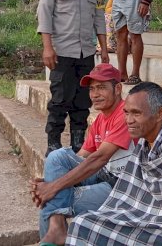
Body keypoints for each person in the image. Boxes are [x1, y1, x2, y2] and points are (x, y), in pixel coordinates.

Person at [66, 82, 162, 245]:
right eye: (126, 113)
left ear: (159, 113)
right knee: (85, 222)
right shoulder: (148, 139)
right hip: (154, 215)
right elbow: (133, 191)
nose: (128, 120)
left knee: (84, 225)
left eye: (136, 113)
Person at [30, 63, 136, 246]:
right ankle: (57, 231)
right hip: (104, 176)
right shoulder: (100, 119)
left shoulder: (126, 114)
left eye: (101, 87)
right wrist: (49, 180)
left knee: (51, 203)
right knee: (57, 157)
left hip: (123, 187)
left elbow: (99, 158)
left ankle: (55, 233)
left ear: (118, 88)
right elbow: (81, 158)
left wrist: (53, 187)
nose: (94, 94)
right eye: (92, 89)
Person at [37, 0, 110, 156]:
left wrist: (104, 48)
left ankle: (79, 143)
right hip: (61, 52)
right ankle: (53, 143)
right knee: (60, 99)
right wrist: (47, 48)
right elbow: (45, 14)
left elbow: (99, 17)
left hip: (86, 52)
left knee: (82, 99)